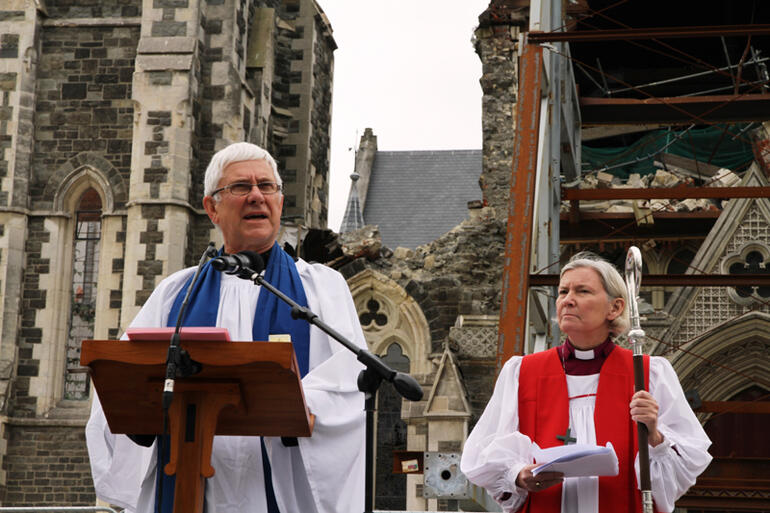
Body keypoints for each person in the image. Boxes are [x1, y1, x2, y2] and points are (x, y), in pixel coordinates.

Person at [86, 142, 366, 513]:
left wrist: (294, 402)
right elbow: (119, 383)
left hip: (280, 489)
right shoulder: (177, 294)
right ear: (211, 208)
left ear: (280, 203)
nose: (256, 196)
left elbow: (349, 384)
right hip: (191, 485)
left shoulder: (320, 289)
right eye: (240, 187)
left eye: (266, 187)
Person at [460, 252, 712, 513]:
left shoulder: (648, 374)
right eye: (562, 292)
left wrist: (655, 435)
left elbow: (687, 464)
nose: (568, 300)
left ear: (615, 308)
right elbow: (480, 454)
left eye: (582, 291)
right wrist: (517, 474)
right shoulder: (522, 372)